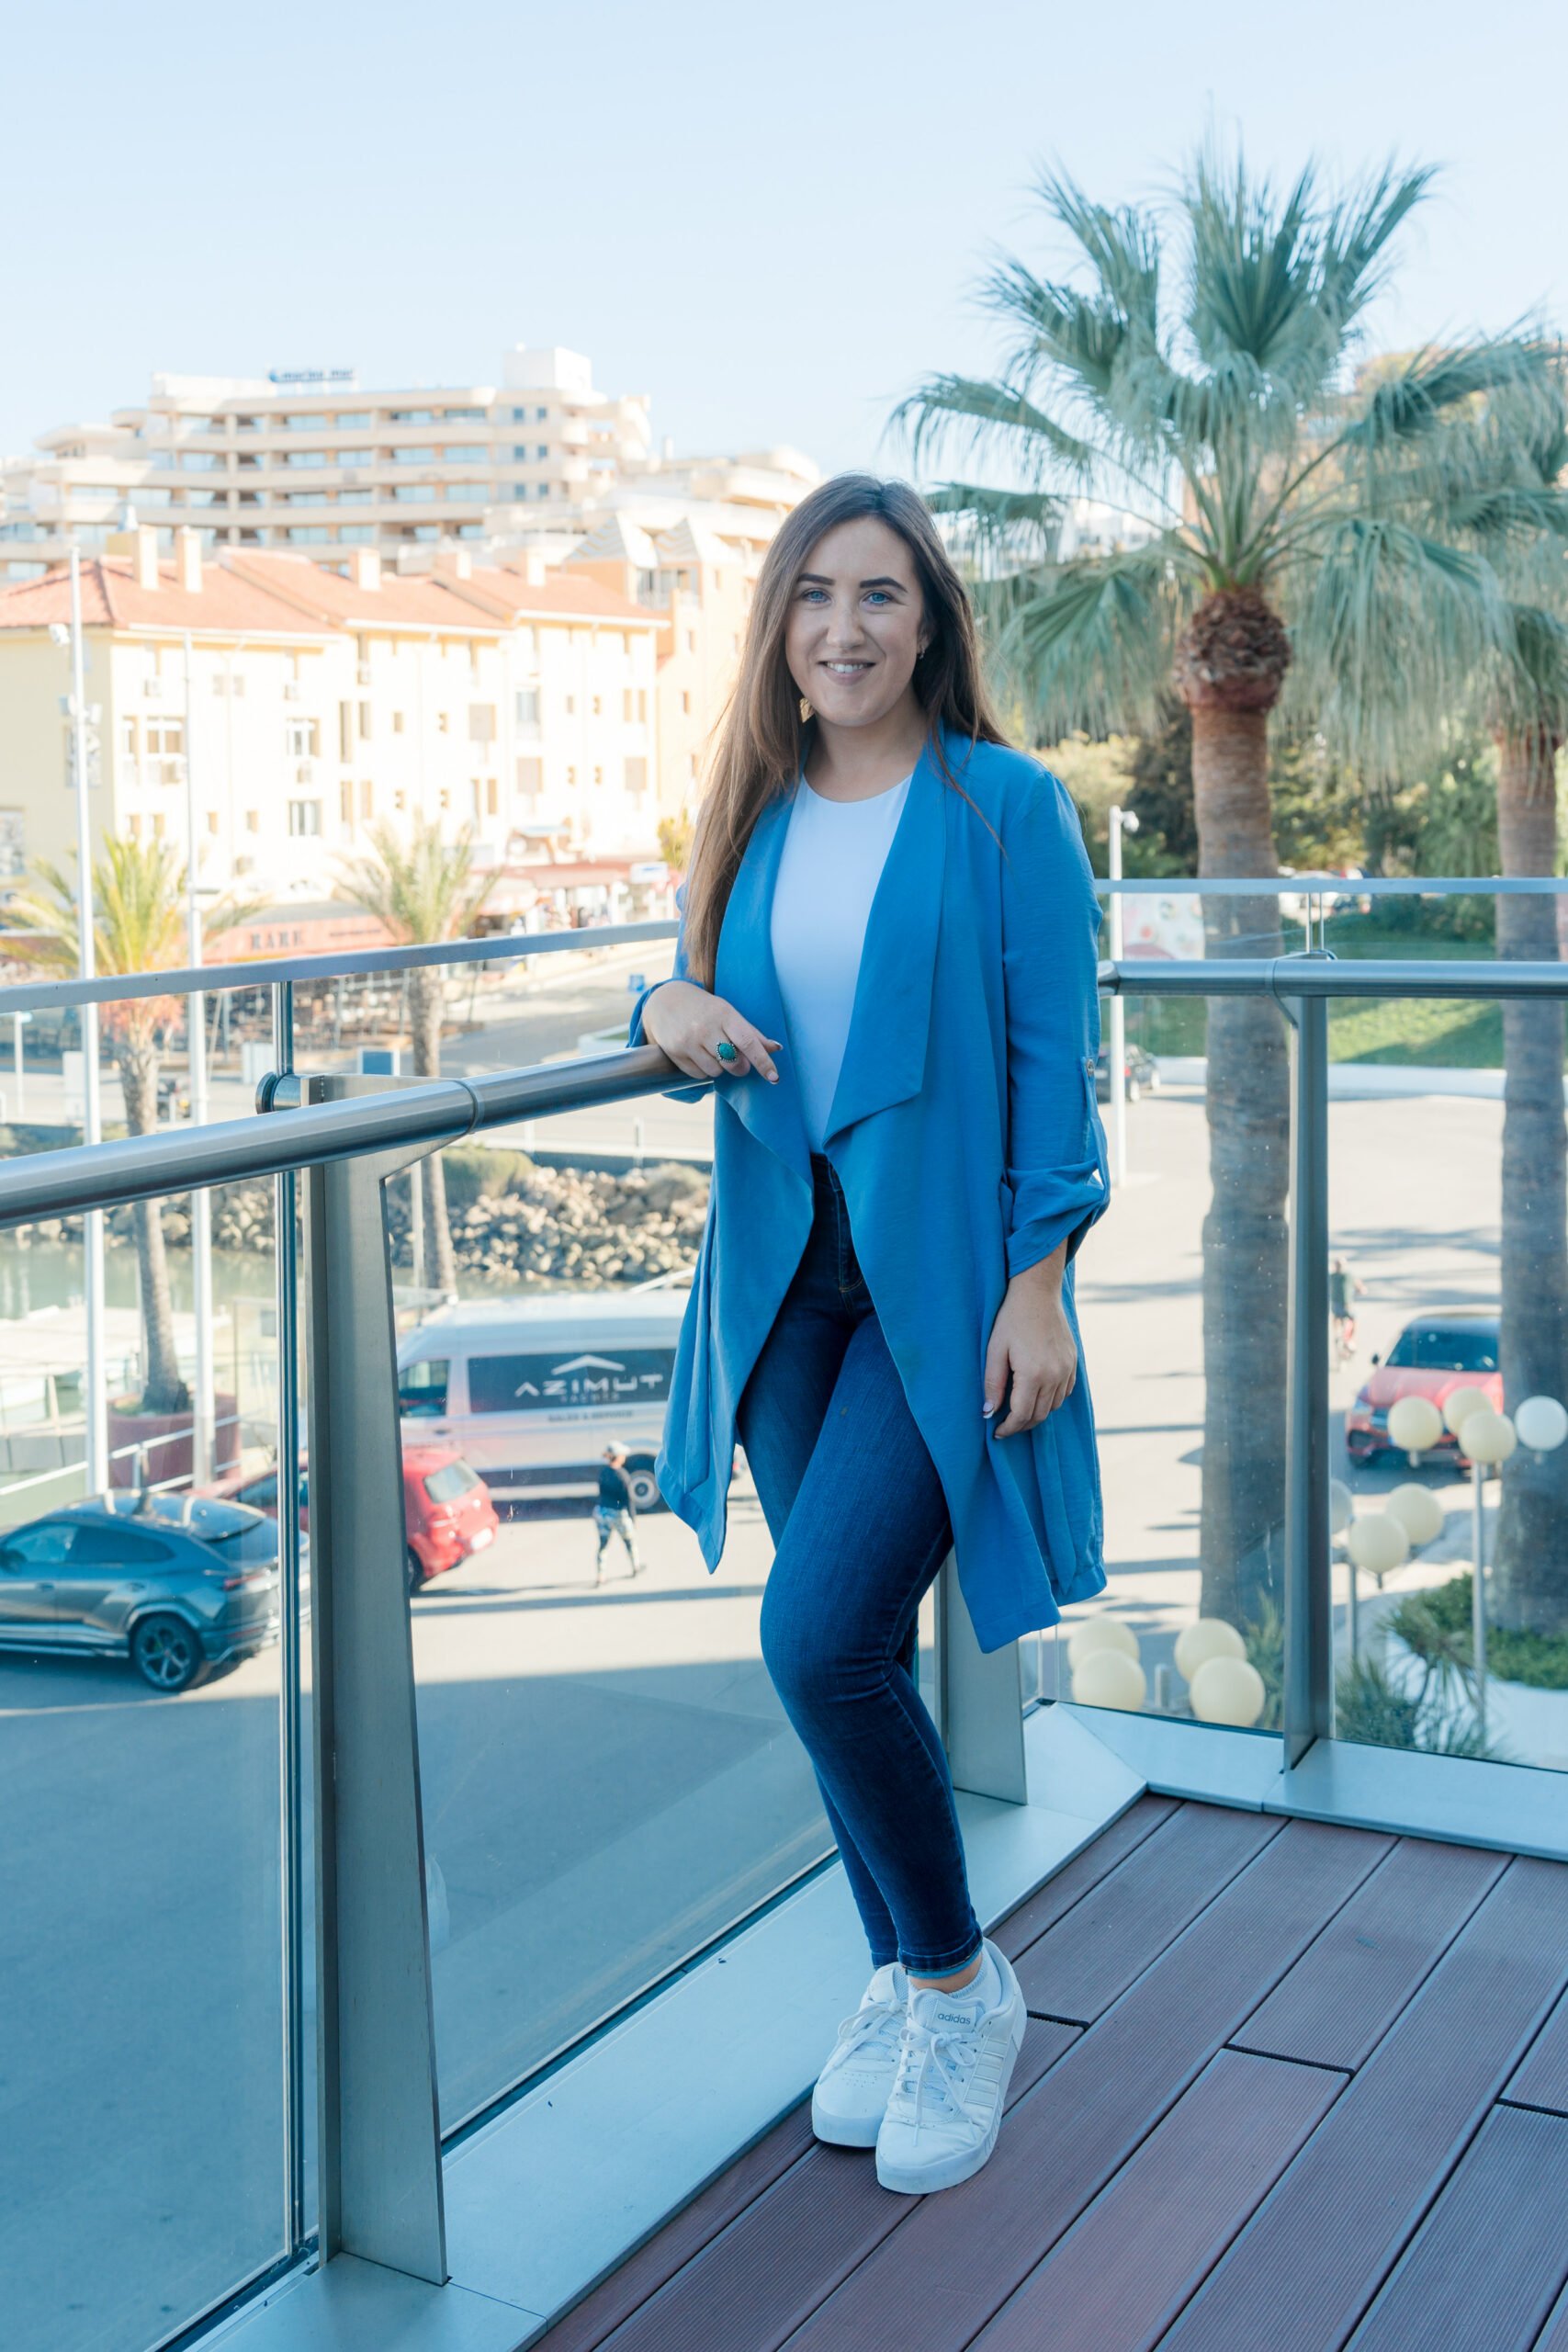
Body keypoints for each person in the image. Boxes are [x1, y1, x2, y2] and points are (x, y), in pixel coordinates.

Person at [627, 474, 1111, 2198]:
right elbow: (682, 984)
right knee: (845, 1668)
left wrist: (1039, 1280)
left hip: (935, 1291)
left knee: (819, 1640)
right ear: (779, 624)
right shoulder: (748, 810)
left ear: (931, 625)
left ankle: (959, 1984)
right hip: (779, 1290)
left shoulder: (1004, 809)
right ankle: (907, 1982)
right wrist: (658, 1000)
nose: (843, 627)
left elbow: (1059, 1059)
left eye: (880, 597)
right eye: (814, 595)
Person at [592, 1444, 644, 1581]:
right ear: (619, 1457)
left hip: (602, 1512)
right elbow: (629, 1500)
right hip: (618, 1513)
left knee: (603, 1544)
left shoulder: (603, 1472)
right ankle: (635, 1567)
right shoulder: (623, 1475)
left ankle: (600, 1574)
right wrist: (633, 1519)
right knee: (629, 1541)